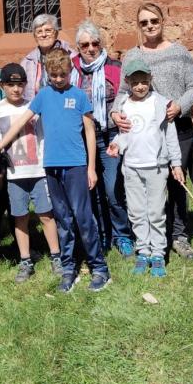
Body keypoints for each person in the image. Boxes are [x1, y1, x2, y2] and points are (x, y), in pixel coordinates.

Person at [0, 48, 111, 294]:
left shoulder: (79, 97)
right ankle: (68, 267)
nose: (57, 79)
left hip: (76, 165)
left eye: (62, 75)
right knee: (62, 218)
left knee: (83, 218)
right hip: (52, 167)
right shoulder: (43, 96)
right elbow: (21, 121)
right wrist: (0, 145)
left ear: (70, 72)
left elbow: (89, 132)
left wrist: (91, 168)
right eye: (53, 75)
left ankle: (99, 268)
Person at [112, 2, 193, 260]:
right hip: (144, 133)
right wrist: (115, 114)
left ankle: (179, 236)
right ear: (138, 26)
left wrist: (179, 106)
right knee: (147, 186)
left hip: (177, 127)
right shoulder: (131, 56)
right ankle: (149, 238)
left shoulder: (179, 52)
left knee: (176, 182)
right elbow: (121, 93)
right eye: (144, 22)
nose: (150, 26)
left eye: (154, 20)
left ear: (163, 21)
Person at [0, 62, 62, 282]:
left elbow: (42, 137)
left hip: (37, 170)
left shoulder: (33, 106)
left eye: (20, 84)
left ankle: (56, 256)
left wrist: (46, 166)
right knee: (19, 217)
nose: (16, 89)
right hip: (13, 177)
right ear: (1, 85)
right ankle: (25, 260)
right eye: (11, 85)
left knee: (46, 215)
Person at [107, 58, 184, 278]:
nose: (140, 86)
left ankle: (158, 253)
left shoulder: (160, 103)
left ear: (150, 79)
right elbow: (124, 136)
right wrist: (116, 145)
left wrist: (176, 163)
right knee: (137, 212)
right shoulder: (123, 104)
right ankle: (143, 251)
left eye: (144, 81)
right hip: (131, 168)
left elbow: (170, 136)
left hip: (156, 168)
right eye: (135, 82)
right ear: (127, 82)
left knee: (156, 212)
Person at [71, 20, 134, 258]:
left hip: (110, 135)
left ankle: (122, 235)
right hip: (82, 137)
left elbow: (127, 98)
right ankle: (101, 234)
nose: (90, 48)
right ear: (78, 47)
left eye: (94, 43)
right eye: (84, 44)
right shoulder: (71, 69)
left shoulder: (115, 67)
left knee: (112, 187)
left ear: (101, 44)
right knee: (91, 188)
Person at [21, 14, 75, 100]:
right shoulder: (27, 62)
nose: (44, 35)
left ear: (56, 33)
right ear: (35, 36)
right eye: (39, 31)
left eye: (48, 30)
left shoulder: (71, 56)